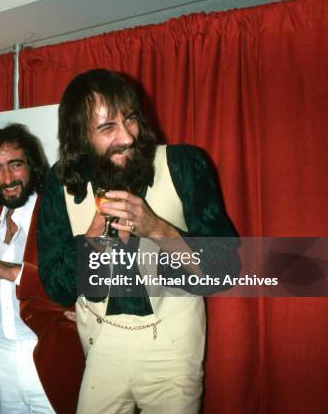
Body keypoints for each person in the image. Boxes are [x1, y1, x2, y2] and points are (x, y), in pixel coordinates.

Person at [37, 69, 239, 414]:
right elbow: (57, 287)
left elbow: (226, 267)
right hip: (100, 347)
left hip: (172, 346)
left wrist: (158, 228)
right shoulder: (59, 185)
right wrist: (92, 238)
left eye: (129, 119)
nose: (129, 136)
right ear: (80, 138)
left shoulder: (183, 164)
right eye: (107, 128)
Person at [0, 124, 85, 414]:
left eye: (15, 165)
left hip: (46, 347)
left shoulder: (55, 214)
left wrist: (6, 269)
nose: (7, 179)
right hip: (1, 352)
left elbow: (73, 280)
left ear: (32, 165)